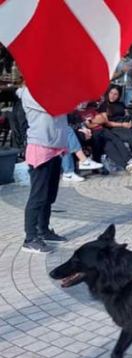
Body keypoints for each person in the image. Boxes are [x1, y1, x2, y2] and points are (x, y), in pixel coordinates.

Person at [18, 86, 69, 253]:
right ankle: (30, 238)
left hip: (56, 147)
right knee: (38, 196)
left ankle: (44, 230)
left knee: (49, 195)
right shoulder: (29, 92)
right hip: (40, 147)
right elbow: (53, 106)